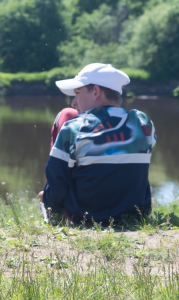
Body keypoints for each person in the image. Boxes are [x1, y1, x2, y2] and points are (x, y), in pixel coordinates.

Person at [39, 63, 156, 225]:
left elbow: (57, 184)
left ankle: (53, 214)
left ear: (95, 91)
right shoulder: (143, 122)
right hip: (135, 214)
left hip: (85, 216)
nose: (73, 102)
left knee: (65, 115)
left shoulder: (74, 127)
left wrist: (46, 198)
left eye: (77, 93)